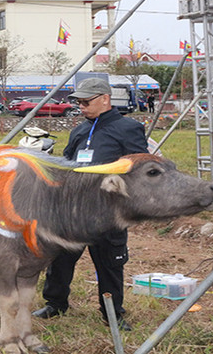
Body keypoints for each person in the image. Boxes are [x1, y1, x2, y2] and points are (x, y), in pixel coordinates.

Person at [32, 78, 148, 331]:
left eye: (86, 102)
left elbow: (140, 167)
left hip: (107, 212)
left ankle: (112, 313)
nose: (81, 107)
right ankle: (55, 303)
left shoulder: (128, 128)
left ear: (105, 99)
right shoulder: (80, 130)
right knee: (60, 259)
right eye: (78, 102)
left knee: (109, 264)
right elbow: (67, 161)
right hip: (73, 212)